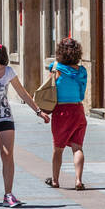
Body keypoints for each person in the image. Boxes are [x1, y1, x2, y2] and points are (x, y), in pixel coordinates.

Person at [0, 41, 49, 207]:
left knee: (7, 155)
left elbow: (23, 93)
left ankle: (8, 194)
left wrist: (38, 111)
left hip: (5, 118)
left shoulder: (8, 71)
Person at [43, 37, 89, 191]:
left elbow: (50, 88)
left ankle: (55, 180)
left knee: (58, 148)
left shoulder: (55, 68)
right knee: (77, 147)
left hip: (61, 111)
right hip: (77, 110)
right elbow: (82, 95)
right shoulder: (82, 71)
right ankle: (78, 180)